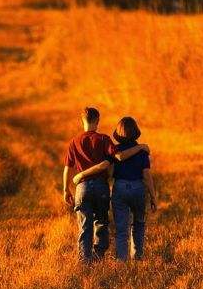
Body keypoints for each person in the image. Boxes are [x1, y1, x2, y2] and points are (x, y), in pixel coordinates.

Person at [63, 108, 149, 265]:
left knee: (84, 225)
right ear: (97, 121)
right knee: (101, 222)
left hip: (81, 188)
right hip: (101, 187)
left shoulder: (74, 142)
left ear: (82, 121)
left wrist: (66, 189)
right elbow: (117, 158)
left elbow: (67, 168)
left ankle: (84, 261)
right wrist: (141, 147)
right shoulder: (103, 139)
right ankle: (99, 256)